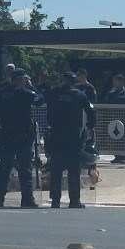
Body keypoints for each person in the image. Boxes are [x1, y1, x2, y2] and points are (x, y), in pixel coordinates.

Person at [0, 68, 41, 208]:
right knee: (25, 168)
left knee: (4, 168)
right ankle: (27, 199)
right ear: (21, 79)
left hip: (6, 133)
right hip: (23, 135)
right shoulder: (24, 92)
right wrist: (31, 86)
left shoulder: (0, 93)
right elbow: (40, 99)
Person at [46, 72, 95, 208]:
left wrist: (50, 124)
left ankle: (55, 200)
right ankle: (74, 200)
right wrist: (90, 126)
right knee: (74, 170)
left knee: (56, 170)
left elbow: (47, 110)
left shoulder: (54, 93)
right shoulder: (79, 95)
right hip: (73, 137)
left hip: (57, 135)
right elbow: (91, 111)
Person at [102, 73, 125, 163]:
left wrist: (114, 97)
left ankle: (124, 156)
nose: (114, 83)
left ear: (121, 82)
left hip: (123, 118)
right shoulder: (112, 92)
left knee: (123, 136)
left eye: (116, 81)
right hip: (114, 117)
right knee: (114, 136)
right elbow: (107, 100)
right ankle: (117, 156)